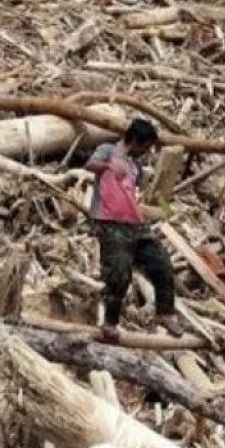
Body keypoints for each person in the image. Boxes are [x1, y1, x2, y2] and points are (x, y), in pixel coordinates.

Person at [84, 118, 180, 340]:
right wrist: (108, 165)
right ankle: (110, 323)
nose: (146, 152)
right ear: (136, 140)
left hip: (135, 224)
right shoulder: (107, 150)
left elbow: (135, 195)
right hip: (109, 223)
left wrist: (162, 209)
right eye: (145, 146)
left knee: (162, 263)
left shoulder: (136, 166)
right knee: (119, 273)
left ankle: (165, 312)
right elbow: (89, 165)